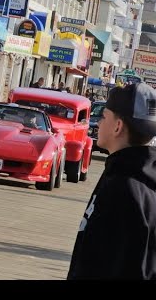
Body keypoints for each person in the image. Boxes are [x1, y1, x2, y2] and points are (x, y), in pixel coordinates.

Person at [67, 82, 156, 279]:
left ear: (118, 126)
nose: (98, 123)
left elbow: (102, 263)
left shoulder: (123, 188)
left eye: (104, 116)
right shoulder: (128, 174)